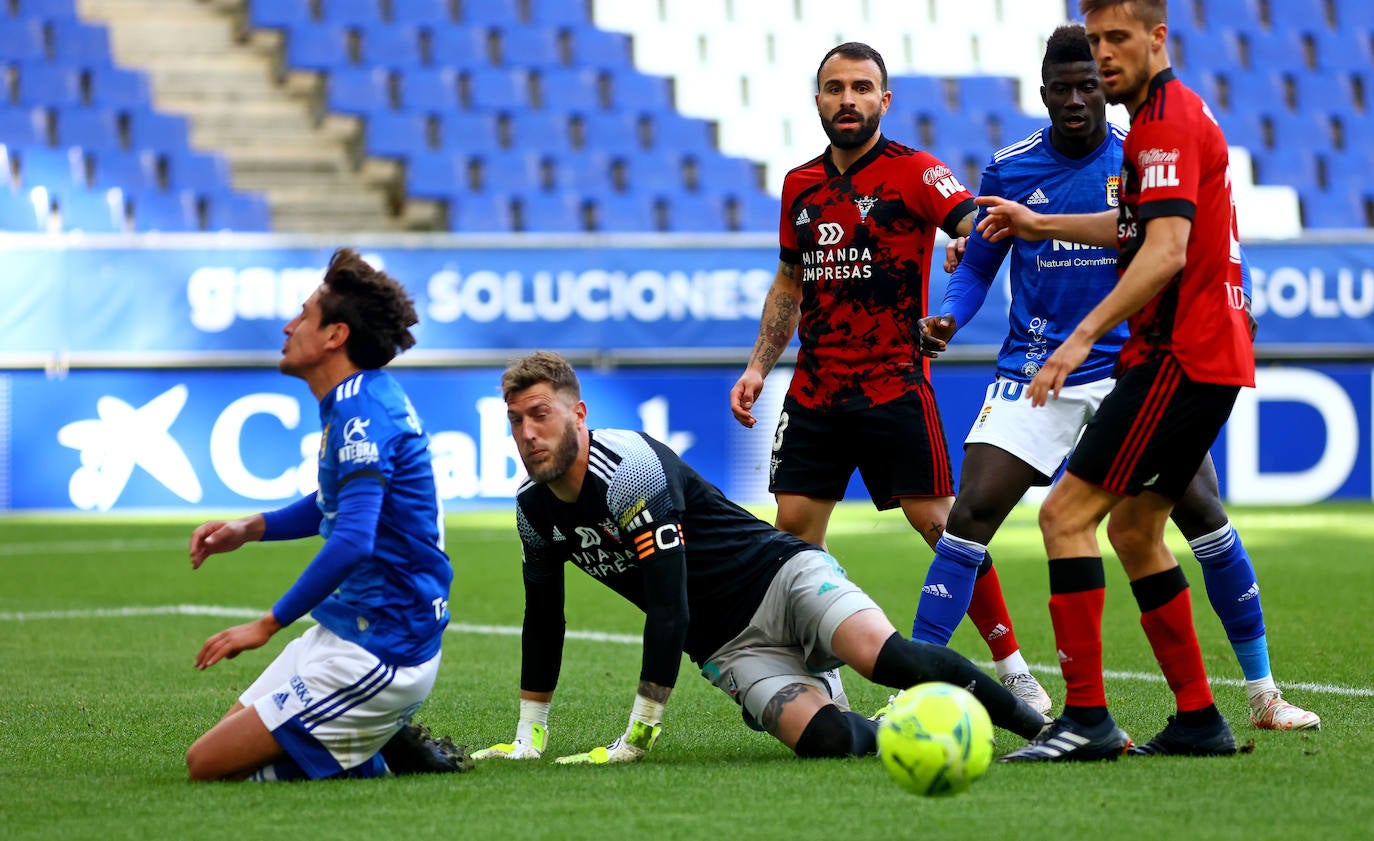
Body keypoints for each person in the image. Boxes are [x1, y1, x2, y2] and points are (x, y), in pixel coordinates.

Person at [914, 25, 1318, 734]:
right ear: (1041, 94)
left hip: (1129, 366)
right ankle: (918, 687)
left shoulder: (1144, 149)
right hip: (1037, 366)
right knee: (971, 509)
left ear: (1106, 86)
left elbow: (1191, 234)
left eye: (1088, 85)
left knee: (1196, 510)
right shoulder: (1008, 167)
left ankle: (1261, 692)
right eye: (1062, 88)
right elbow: (979, 260)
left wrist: (1240, 294)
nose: (1076, 99)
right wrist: (949, 315)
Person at [473, 351, 1048, 765]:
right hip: (729, 647)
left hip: (782, 578)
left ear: (578, 415)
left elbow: (669, 608)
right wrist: (530, 734)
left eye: (540, 414)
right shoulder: (533, 509)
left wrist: (638, 736)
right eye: (515, 420)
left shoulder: (628, 470)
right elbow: (544, 620)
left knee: (892, 660)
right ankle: (903, 735)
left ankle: (1041, 728)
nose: (527, 433)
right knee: (825, 743)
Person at [970, 0, 1260, 760]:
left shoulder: (1160, 124)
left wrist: (1081, 336)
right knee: (1134, 527)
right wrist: (1040, 224)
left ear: (1158, 38)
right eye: (1094, 39)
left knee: (1065, 516)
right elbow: (1139, 228)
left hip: (1178, 356)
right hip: (1202, 354)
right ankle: (1199, 717)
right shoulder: (1170, 118)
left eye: (1118, 39)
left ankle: (1087, 718)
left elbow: (1163, 251)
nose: (1102, 55)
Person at [727, 41, 1051, 713]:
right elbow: (790, 280)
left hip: (893, 383)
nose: (849, 99)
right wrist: (760, 365)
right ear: (817, 100)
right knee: (792, 536)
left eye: (862, 87)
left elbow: (974, 223)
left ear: (884, 100)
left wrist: (965, 244)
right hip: (816, 388)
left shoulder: (915, 172)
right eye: (836, 87)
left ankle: (1014, 668)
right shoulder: (799, 185)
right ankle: (826, 677)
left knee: (943, 526)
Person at [184, 249, 469, 781]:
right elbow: (331, 506)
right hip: (344, 628)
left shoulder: (363, 411)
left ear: (335, 336)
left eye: (303, 316)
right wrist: (250, 530)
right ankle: (370, 738)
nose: (289, 327)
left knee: (210, 768)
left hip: (383, 649)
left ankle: (374, 753)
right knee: (221, 748)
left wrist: (266, 625)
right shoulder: (355, 401)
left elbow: (354, 539)